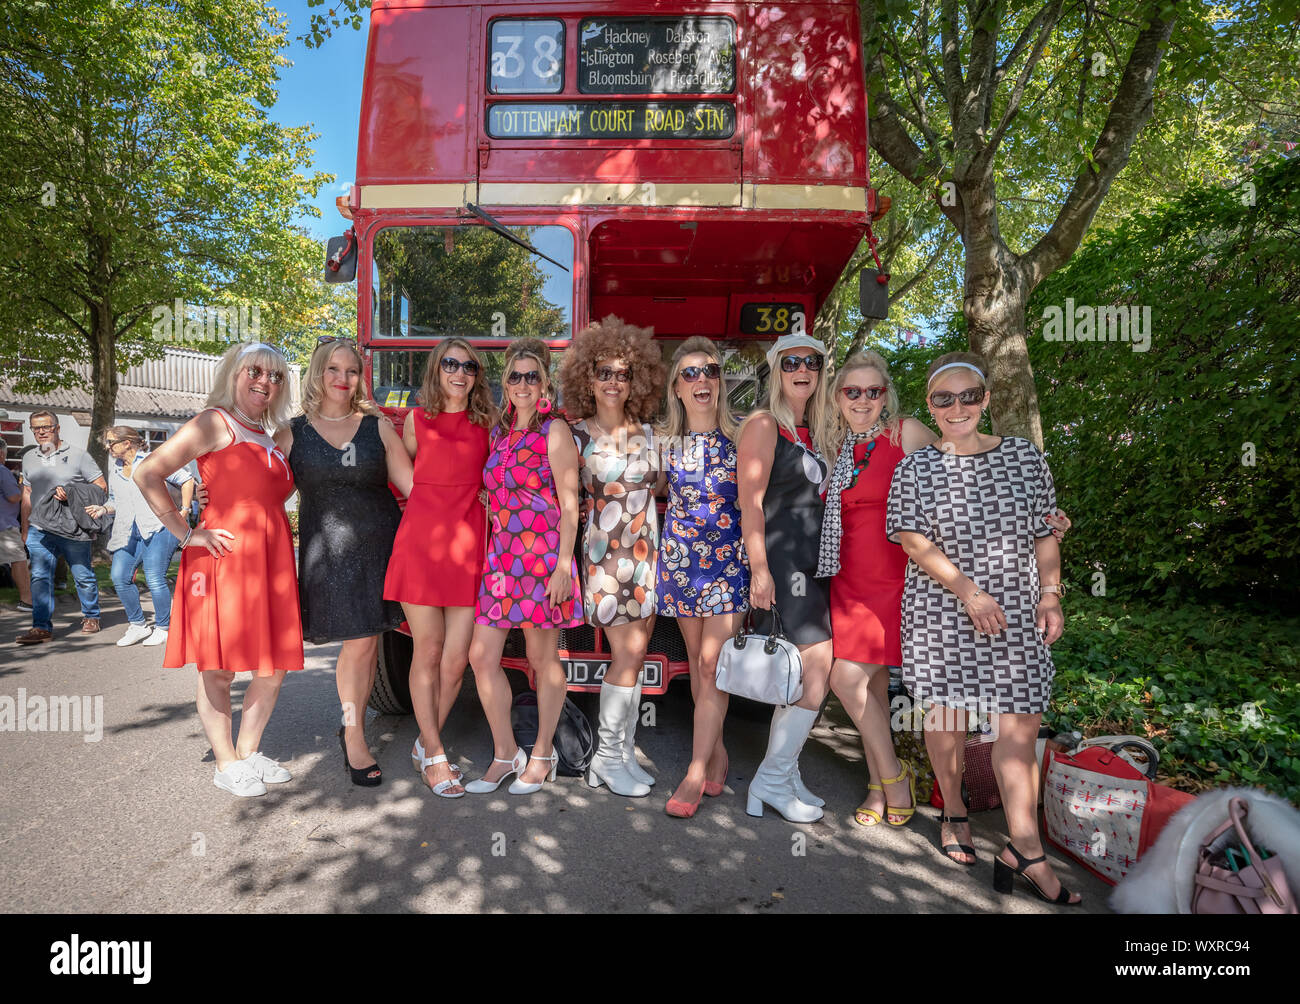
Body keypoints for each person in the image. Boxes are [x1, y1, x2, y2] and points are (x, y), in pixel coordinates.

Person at [887, 351, 1080, 905]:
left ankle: (1025, 847)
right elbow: (912, 541)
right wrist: (969, 592)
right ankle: (953, 810)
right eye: (944, 399)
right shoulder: (918, 466)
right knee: (946, 717)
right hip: (943, 611)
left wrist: (1051, 595)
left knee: (1018, 729)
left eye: (968, 396)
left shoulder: (1022, 456)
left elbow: (1046, 530)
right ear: (930, 404)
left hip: (1017, 612)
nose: (957, 408)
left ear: (986, 399)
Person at [135, 342, 303, 798]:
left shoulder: (273, 436)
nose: (264, 382)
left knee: (272, 666)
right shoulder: (213, 422)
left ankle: (248, 752)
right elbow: (148, 472)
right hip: (222, 561)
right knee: (220, 668)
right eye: (255, 371)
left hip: (271, 562)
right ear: (234, 373)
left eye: (275, 376)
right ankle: (225, 762)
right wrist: (186, 533)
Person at [277, 335, 414, 788]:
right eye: (333, 369)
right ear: (318, 373)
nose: (343, 378)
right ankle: (353, 734)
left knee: (369, 643)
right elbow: (264, 491)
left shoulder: (379, 428)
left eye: (352, 371)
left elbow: (415, 489)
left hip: (382, 550)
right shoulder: (292, 432)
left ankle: (353, 727)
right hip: (328, 557)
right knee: (357, 644)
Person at [818, 352, 937, 829]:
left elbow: (959, 473)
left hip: (894, 577)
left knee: (845, 678)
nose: (863, 400)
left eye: (873, 391)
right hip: (846, 578)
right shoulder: (838, 448)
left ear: (886, 396)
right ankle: (876, 782)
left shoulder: (904, 433)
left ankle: (892, 775)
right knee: (873, 686)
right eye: (853, 392)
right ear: (838, 398)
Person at [465, 338, 582, 795]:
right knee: (481, 656)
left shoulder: (554, 431)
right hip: (501, 559)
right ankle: (504, 753)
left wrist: (562, 566)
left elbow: (570, 505)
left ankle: (543, 752)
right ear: (505, 383)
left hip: (542, 556)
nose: (522, 384)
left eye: (532, 376)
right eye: (514, 376)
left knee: (540, 658)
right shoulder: (500, 432)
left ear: (544, 383)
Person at [557, 316, 666, 797]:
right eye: (604, 371)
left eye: (623, 373)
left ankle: (622, 752)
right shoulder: (573, 436)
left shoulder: (650, 432)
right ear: (587, 376)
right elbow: (559, 497)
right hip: (606, 558)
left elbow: (662, 486)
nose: (613, 381)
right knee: (629, 653)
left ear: (636, 378)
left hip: (646, 556)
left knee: (637, 656)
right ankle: (604, 756)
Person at [384, 338, 495, 797]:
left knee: (456, 661)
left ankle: (426, 744)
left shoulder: (488, 423)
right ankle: (434, 754)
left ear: (476, 375)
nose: (459, 372)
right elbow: (396, 465)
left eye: (468, 366)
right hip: (420, 547)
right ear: (436, 369)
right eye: (450, 364)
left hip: (468, 548)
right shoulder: (415, 420)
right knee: (426, 652)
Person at [736, 333, 836, 823]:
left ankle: (784, 771)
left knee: (798, 673)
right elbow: (749, 502)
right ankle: (772, 779)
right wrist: (759, 570)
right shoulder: (763, 424)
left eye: (811, 362)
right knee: (816, 665)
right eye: (791, 362)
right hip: (783, 559)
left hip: (816, 561)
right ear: (776, 370)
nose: (802, 370)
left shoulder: (817, 429)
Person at [657, 337, 748, 818]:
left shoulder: (743, 436)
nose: (702, 380)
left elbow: (757, 506)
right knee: (695, 661)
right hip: (679, 561)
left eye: (710, 371)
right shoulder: (663, 441)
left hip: (728, 563)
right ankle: (716, 753)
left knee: (714, 664)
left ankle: (694, 769)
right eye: (690, 373)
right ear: (676, 387)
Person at [87, 426, 194, 647]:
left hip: (159, 527)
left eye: (111, 442)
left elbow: (186, 479)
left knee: (155, 578)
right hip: (128, 530)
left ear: (128, 443)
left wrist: (184, 510)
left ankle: (163, 627)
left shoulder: (153, 461)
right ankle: (138, 625)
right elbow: (116, 500)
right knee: (119, 576)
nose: (108, 447)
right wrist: (103, 509)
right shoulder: (115, 468)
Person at [17, 411, 108, 643]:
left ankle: (91, 616)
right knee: (39, 577)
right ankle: (41, 628)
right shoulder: (29, 458)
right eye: (35, 428)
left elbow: (101, 487)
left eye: (45, 427)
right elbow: (26, 493)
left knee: (82, 574)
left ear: (57, 428)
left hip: (72, 527)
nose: (40, 432)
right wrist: (25, 528)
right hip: (40, 528)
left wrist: (73, 493)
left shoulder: (78, 456)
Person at [0, 442, 32, 613]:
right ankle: (27, 600)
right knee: (18, 561)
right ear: (1, 454)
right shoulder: (2, 470)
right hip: (4, 525)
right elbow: (13, 497)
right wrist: (22, 489)